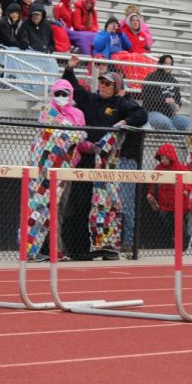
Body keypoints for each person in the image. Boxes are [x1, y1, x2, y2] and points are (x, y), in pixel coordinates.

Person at [63, 57, 148, 259]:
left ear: (116, 86)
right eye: (101, 81)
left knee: (107, 206)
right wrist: (69, 68)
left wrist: (124, 121)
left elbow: (142, 115)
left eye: (107, 83)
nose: (102, 85)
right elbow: (72, 88)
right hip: (86, 159)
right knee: (82, 203)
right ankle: (81, 250)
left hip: (107, 164)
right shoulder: (91, 99)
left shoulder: (122, 103)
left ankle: (108, 248)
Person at [27, 78, 90, 261]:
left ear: (71, 95)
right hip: (44, 168)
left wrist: (90, 145)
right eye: (58, 93)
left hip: (66, 167)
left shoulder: (78, 113)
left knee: (58, 208)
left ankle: (56, 247)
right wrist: (74, 134)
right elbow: (49, 134)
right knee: (39, 207)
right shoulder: (47, 110)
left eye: (65, 94)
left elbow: (81, 139)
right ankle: (34, 248)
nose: (62, 97)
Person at [146, 144, 192, 248]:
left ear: (171, 157)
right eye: (161, 158)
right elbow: (153, 183)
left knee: (178, 219)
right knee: (165, 216)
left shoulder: (180, 167)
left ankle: (184, 240)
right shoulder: (158, 169)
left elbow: (189, 181)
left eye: (165, 158)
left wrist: (186, 190)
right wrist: (151, 193)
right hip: (165, 202)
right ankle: (178, 236)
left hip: (179, 201)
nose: (163, 160)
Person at [143, 54, 189, 131]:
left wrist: (177, 105)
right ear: (161, 64)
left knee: (187, 122)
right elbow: (146, 96)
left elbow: (178, 98)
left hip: (170, 114)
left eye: (170, 64)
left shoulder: (174, 81)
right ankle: (179, 140)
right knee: (166, 122)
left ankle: (189, 141)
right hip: (152, 112)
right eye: (166, 63)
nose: (168, 66)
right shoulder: (152, 77)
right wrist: (165, 100)